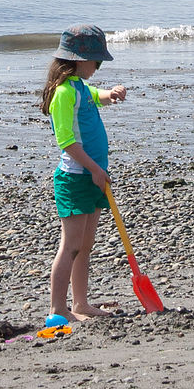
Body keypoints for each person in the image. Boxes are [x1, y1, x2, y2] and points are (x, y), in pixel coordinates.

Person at [41, 24, 128, 325]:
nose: (97, 67)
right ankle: (57, 309)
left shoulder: (80, 88)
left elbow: (97, 96)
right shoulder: (63, 94)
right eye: (96, 61)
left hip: (93, 175)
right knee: (71, 245)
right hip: (77, 177)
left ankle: (80, 303)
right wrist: (93, 169)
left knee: (86, 245)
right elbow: (67, 142)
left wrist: (112, 94)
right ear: (79, 60)